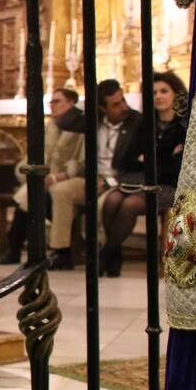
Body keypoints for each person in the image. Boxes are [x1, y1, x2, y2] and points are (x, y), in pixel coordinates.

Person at [97, 71, 188, 277]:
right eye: (154, 92)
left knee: (130, 204)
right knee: (112, 199)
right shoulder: (145, 123)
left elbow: (176, 169)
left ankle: (106, 254)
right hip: (142, 182)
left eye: (164, 91)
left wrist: (149, 160)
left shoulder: (184, 125)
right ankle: (114, 255)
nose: (158, 96)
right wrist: (161, 159)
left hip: (170, 186)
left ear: (176, 93)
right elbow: (126, 161)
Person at [46, 78, 142, 268]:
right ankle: (62, 251)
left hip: (118, 181)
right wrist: (90, 105)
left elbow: (136, 166)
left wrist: (110, 182)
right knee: (60, 190)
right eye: (116, 104)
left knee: (104, 204)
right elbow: (65, 120)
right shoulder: (95, 120)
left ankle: (105, 252)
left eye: (123, 100)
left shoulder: (136, 122)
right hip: (91, 178)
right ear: (102, 108)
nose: (123, 107)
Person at [0, 87, 85, 264]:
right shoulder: (52, 125)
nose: (52, 105)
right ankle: (15, 247)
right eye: (51, 101)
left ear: (71, 103)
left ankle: (55, 251)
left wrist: (58, 176)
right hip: (47, 178)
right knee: (28, 196)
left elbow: (82, 161)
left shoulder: (81, 125)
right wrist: (29, 171)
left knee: (38, 196)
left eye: (57, 101)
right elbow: (40, 154)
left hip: (70, 178)